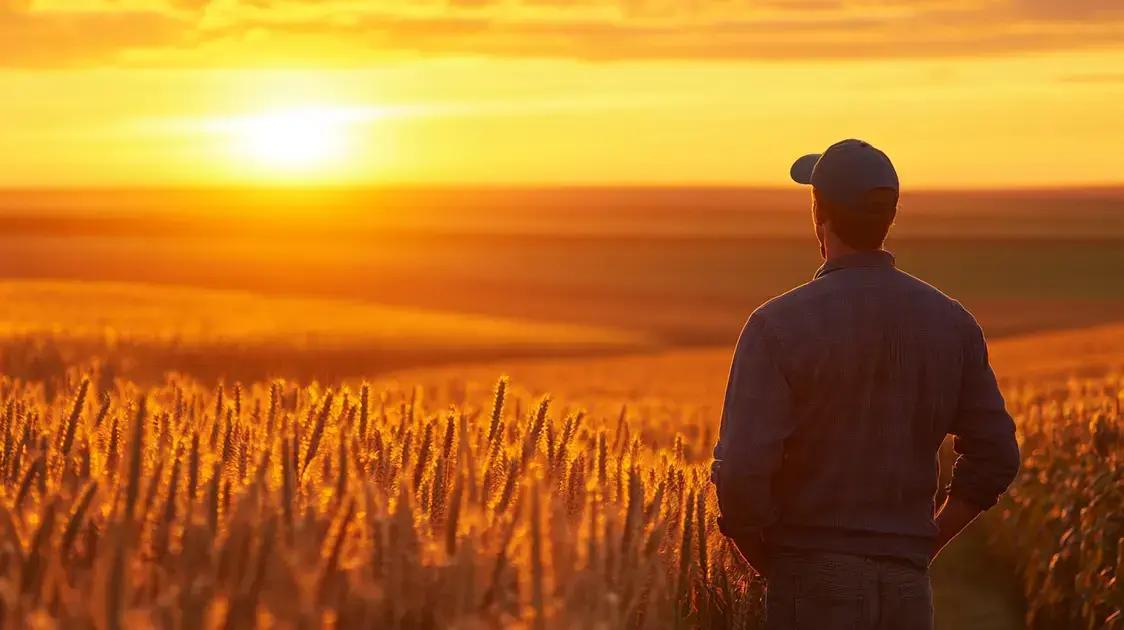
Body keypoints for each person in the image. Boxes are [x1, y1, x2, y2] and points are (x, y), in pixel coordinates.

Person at [711, 139, 1021, 630]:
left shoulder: (776, 326)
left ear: (820, 216)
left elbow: (742, 474)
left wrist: (776, 565)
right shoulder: (952, 323)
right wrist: (920, 544)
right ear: (888, 218)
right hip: (907, 589)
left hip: (809, 580)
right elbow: (997, 457)